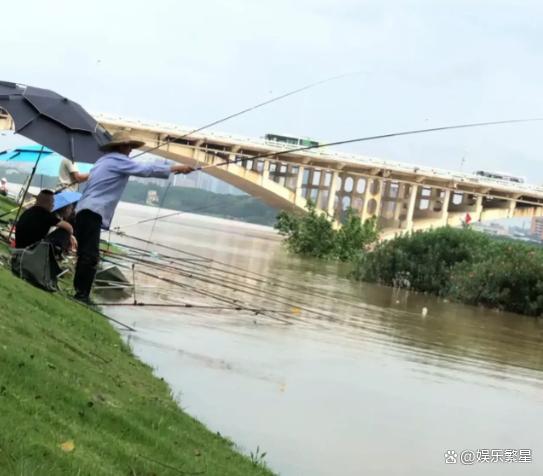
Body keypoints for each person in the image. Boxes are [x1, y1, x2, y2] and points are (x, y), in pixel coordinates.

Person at [73, 131, 194, 303]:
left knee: (84, 253)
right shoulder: (118, 161)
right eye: (129, 146)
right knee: (90, 255)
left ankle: (79, 291)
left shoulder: (103, 160)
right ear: (121, 146)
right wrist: (176, 168)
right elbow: (146, 170)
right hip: (93, 210)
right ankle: (81, 295)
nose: (130, 150)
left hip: (84, 208)